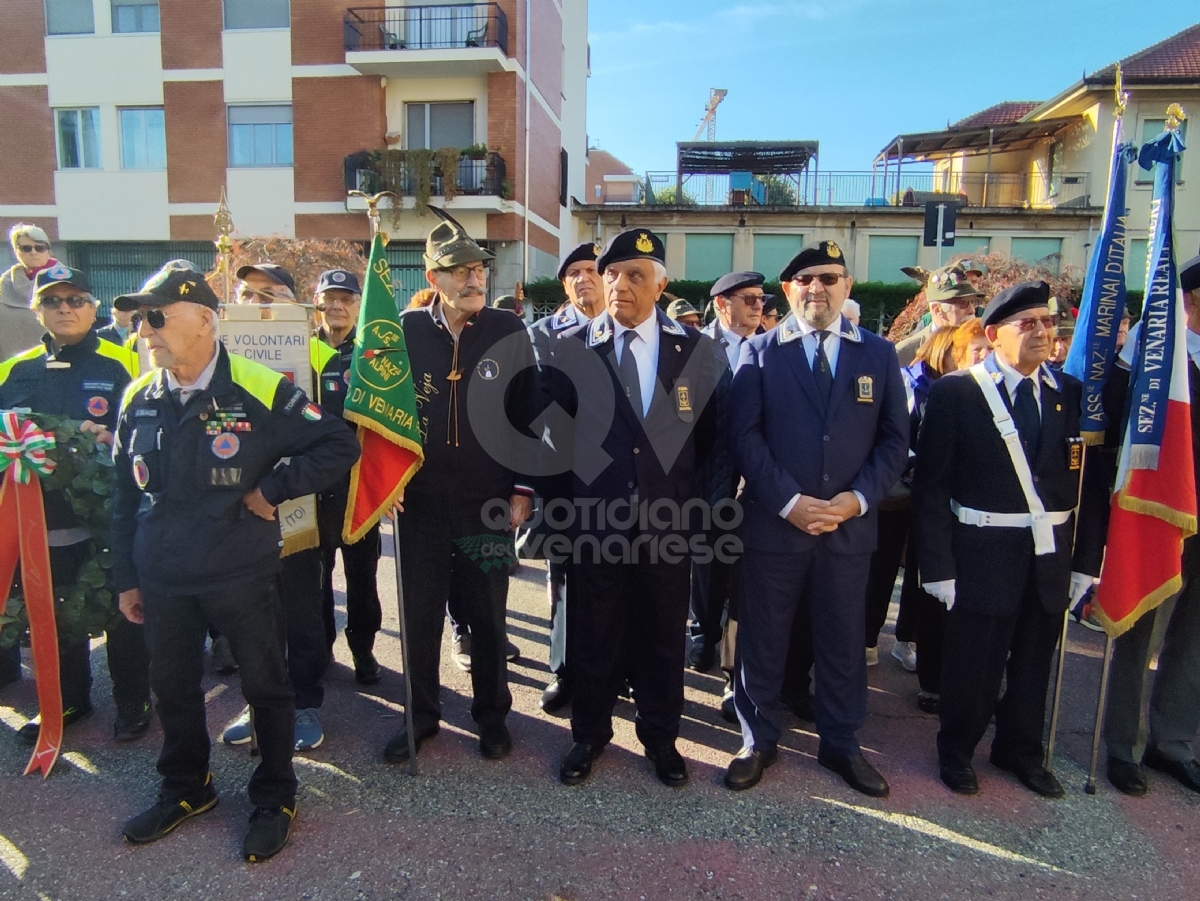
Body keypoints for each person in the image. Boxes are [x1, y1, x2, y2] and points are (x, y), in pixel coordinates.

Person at [111, 262, 359, 861]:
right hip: (164, 575)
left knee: (266, 688)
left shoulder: (258, 386)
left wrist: (272, 491)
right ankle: (185, 788)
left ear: (204, 318)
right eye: (141, 317)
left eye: (157, 316)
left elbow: (338, 444)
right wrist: (126, 578)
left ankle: (275, 795)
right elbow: (123, 495)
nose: (145, 330)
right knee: (171, 687)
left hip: (239, 572)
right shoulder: (138, 395)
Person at [724, 240, 908, 796]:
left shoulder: (878, 354)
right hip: (775, 528)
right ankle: (758, 738)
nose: (817, 288)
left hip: (847, 529)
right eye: (805, 280)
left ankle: (842, 745)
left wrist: (854, 500)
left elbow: (896, 442)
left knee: (843, 640)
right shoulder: (759, 352)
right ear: (788, 290)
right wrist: (789, 502)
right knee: (764, 638)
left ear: (847, 286)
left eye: (829, 278)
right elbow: (744, 438)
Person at [549, 228, 719, 789]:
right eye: (612, 273)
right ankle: (589, 736)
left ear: (662, 285)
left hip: (666, 529)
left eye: (636, 274)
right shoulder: (572, 352)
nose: (620, 285)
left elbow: (715, 447)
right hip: (594, 525)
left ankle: (661, 739)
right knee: (593, 636)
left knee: (662, 638)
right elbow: (553, 442)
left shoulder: (697, 353)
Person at [914, 280, 1095, 798]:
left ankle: (1020, 750)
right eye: (1028, 324)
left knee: (1035, 661)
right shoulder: (958, 393)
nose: (1043, 332)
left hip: (1047, 558)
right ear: (993, 335)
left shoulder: (1066, 393)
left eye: (1047, 322)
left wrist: (1084, 560)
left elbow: (1083, 483)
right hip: (982, 552)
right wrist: (938, 567)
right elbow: (933, 487)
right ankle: (957, 750)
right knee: (975, 664)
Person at [382, 215, 537, 764]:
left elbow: (528, 412)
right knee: (419, 616)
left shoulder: (507, 330)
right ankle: (420, 716)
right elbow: (378, 411)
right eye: (460, 271)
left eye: (479, 269)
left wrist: (522, 488)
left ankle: (493, 717)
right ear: (433, 275)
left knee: (488, 617)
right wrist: (385, 477)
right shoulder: (401, 331)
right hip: (419, 503)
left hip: (488, 503)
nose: (475, 280)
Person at [0, 264, 151, 741]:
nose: (64, 309)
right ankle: (68, 701)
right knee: (55, 606)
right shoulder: (15, 368)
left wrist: (112, 441)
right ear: (36, 308)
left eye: (74, 300)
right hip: (41, 516)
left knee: (123, 611)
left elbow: (150, 432)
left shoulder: (123, 362)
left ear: (92, 306)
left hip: (111, 517)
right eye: (52, 301)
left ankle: (133, 701)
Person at [1088, 254, 1200, 797]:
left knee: (1195, 637)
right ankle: (1123, 746)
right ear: (1193, 300)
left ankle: (1173, 740)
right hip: (1161, 514)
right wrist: (1132, 360)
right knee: (1142, 630)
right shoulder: (1161, 361)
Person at [217, 262, 337, 753]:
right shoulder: (218, 360)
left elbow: (339, 438)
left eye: (271, 293)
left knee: (302, 609)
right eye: (248, 293)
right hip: (235, 513)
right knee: (251, 614)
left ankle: (304, 701)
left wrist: (281, 487)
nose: (258, 302)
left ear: (295, 303)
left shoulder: (325, 359)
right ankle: (259, 699)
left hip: (302, 506)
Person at [526, 241, 604, 712]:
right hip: (566, 479)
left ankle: (617, 669)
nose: (583, 279)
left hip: (623, 483)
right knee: (566, 580)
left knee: (619, 574)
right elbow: (541, 408)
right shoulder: (542, 334)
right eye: (573, 272)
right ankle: (564, 670)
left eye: (592, 270)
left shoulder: (628, 330)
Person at [307, 268, 385, 687]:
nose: (337, 305)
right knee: (315, 577)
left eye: (347, 299)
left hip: (358, 487)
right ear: (316, 300)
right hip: (310, 488)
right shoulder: (300, 352)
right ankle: (321, 646)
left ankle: (363, 646)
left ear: (359, 305)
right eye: (329, 297)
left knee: (362, 575)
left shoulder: (370, 354)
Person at [688, 271, 765, 677]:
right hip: (708, 476)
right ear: (721, 304)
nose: (758, 305)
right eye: (748, 298)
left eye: (761, 299)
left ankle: (737, 652)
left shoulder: (772, 347)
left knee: (748, 567)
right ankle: (704, 634)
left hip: (759, 479)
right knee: (708, 562)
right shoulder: (695, 348)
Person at [895, 264, 983, 368]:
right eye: (963, 303)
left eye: (973, 302)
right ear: (937, 310)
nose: (971, 310)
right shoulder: (905, 353)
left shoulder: (984, 348)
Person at [1, 225, 59, 360]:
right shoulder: (4, 285)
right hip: (10, 367)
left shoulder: (67, 282)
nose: (33, 252)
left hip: (57, 365)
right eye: (26, 248)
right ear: (16, 252)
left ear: (49, 251)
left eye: (40, 248)